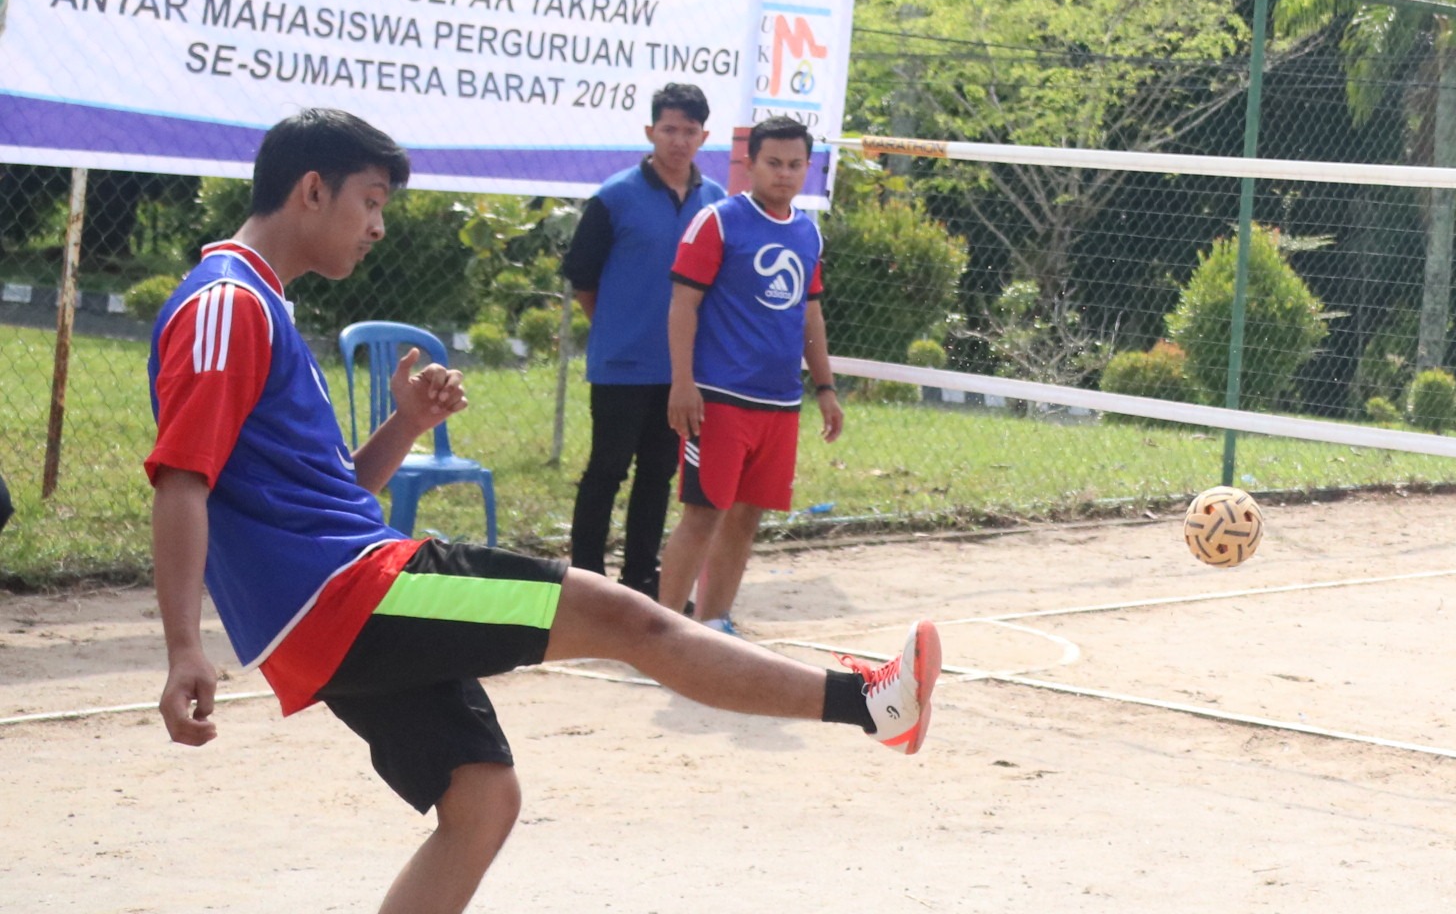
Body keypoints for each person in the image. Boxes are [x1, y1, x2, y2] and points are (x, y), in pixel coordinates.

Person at [146, 108, 938, 914]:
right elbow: (182, 479)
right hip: (346, 596)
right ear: (312, 191)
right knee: (632, 620)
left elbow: (327, 494)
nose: (379, 227)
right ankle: (872, 702)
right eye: (373, 202)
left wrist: (408, 427)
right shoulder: (227, 305)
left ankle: (877, 705)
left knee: (482, 799)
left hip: (331, 599)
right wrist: (183, 648)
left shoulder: (258, 305)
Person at [655, 114, 840, 632]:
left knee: (746, 515)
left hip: (779, 402)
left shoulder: (808, 233)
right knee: (704, 512)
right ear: (750, 163)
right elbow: (682, 306)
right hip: (718, 396)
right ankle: (665, 631)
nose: (784, 174)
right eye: (773, 163)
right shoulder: (718, 221)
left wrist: (825, 388)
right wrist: (683, 383)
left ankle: (715, 623)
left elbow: (811, 315)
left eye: (795, 164)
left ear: (808, 167)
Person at [561, 82, 723, 598]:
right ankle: (586, 578)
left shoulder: (716, 202)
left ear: (704, 137)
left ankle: (640, 579)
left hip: (681, 373)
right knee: (607, 469)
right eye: (669, 129)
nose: (678, 140)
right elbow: (582, 275)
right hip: (621, 365)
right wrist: (614, 325)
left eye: (689, 131)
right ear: (650, 131)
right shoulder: (615, 197)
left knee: (658, 473)